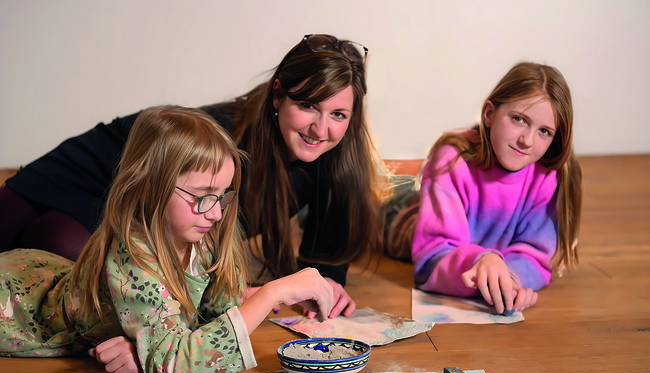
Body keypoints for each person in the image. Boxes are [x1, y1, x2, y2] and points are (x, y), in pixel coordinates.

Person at [0, 34, 389, 319]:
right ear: (277, 96)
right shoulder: (226, 138)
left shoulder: (340, 163)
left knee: (55, 245)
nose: (321, 129)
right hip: (100, 164)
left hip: (129, 215)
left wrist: (327, 285)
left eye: (338, 114)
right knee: (13, 219)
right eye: (308, 105)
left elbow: (324, 263)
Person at [0, 105, 335, 373]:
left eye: (223, 195)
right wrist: (273, 292)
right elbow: (181, 369)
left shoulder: (202, 233)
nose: (217, 212)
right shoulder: (132, 255)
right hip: (17, 306)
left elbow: (213, 318)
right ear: (148, 188)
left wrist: (148, 357)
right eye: (203, 195)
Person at [412, 62, 582, 315]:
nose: (527, 140)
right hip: (407, 220)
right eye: (519, 119)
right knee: (384, 215)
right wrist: (483, 261)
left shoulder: (547, 177)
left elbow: (534, 256)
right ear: (489, 114)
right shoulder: (453, 158)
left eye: (544, 131)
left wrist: (510, 280)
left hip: (479, 249)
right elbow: (429, 259)